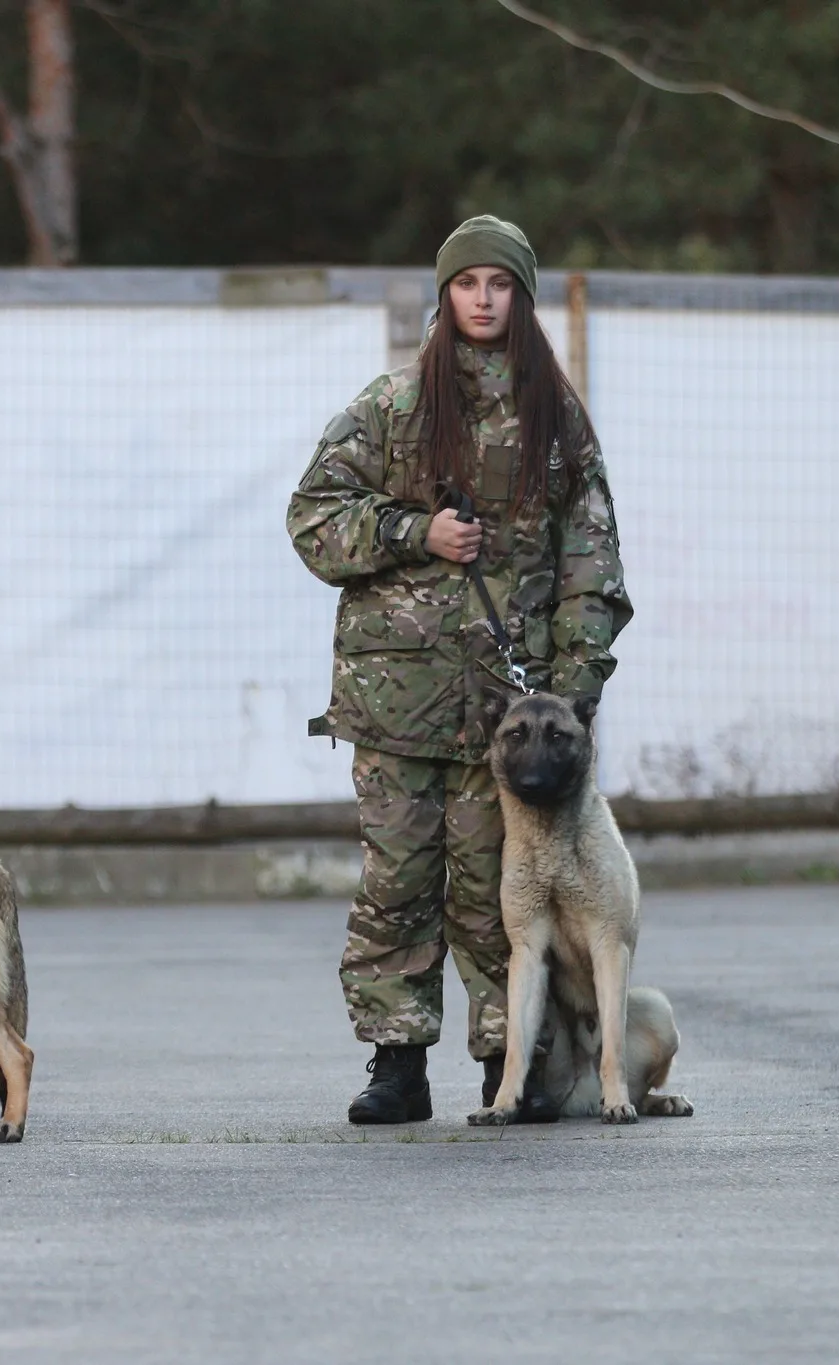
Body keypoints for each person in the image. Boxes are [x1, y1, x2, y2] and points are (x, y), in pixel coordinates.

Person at [286, 215, 632, 1124]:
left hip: (506, 726)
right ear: (445, 294)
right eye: (467, 283)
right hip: (393, 703)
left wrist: (574, 696)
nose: (483, 299)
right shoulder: (392, 406)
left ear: (521, 296)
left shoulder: (557, 417)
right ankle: (396, 1062)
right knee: (394, 886)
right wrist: (414, 531)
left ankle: (505, 1062)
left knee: (495, 895)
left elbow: (591, 565)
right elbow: (313, 520)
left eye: (501, 283)